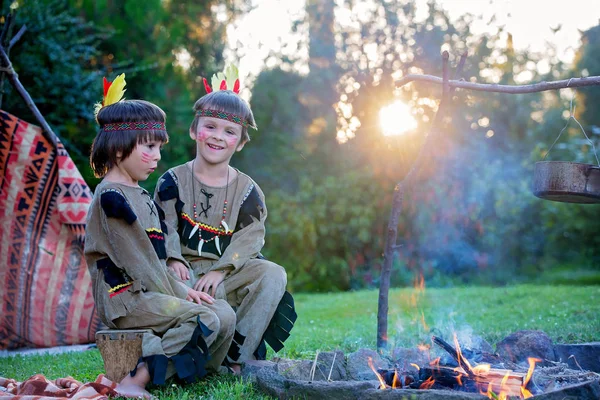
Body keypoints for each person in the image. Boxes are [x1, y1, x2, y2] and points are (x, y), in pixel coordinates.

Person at [84, 74, 236, 399]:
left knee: (222, 312)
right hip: (124, 297)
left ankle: (199, 371)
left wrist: (182, 290)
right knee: (204, 316)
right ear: (120, 145)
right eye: (149, 147)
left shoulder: (140, 194)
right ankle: (133, 377)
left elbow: (158, 259)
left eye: (158, 148)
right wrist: (182, 293)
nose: (157, 157)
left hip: (151, 289)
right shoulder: (112, 198)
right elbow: (140, 265)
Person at [154, 65, 297, 374]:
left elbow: (250, 238)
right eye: (211, 127)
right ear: (194, 130)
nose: (218, 137)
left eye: (229, 131)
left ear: (241, 142)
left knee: (273, 273)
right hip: (184, 274)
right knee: (187, 289)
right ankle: (193, 354)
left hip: (226, 274)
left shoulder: (248, 191)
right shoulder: (172, 180)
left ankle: (236, 358)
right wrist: (173, 258)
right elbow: (163, 224)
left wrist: (221, 271)